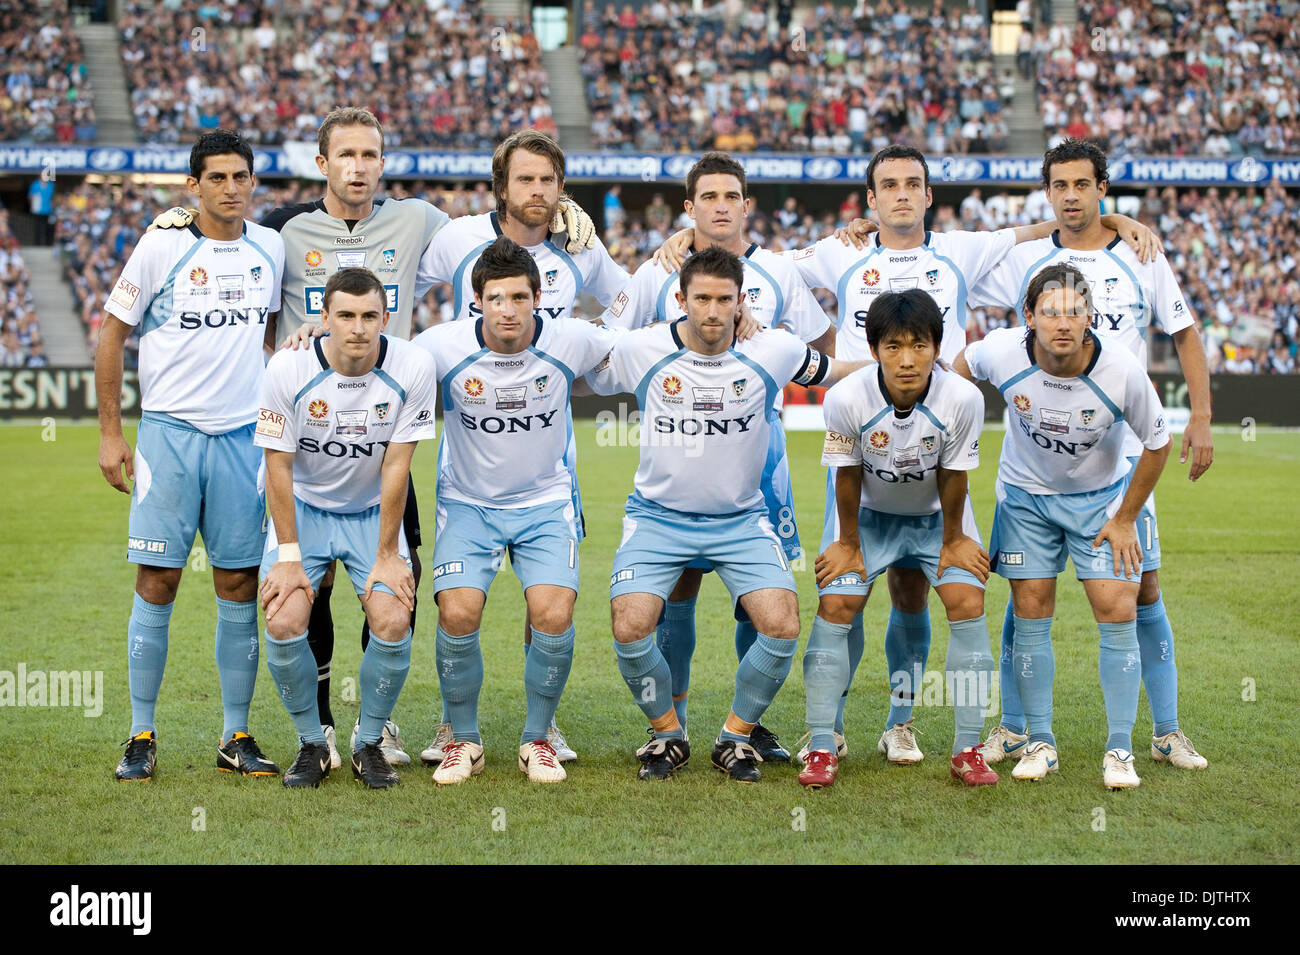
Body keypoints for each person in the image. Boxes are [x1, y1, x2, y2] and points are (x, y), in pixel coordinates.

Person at [788, 144, 1159, 766]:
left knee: (924, 597)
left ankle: (909, 727)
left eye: (914, 184)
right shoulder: (838, 253)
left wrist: (1112, 221)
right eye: (888, 186)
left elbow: (1046, 226)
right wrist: (742, 301)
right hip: (867, 470)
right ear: (870, 199)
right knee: (843, 600)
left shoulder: (962, 253)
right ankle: (827, 733)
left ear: (930, 195)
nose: (902, 194)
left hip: (935, 472)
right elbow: (767, 269)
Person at [968, 139, 1212, 771]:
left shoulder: (1140, 252)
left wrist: (1204, 417)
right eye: (1060, 186)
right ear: (1048, 192)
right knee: (1028, 595)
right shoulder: (1023, 257)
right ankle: (1018, 728)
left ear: (1102, 188)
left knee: (1142, 590)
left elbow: (1183, 331)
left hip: (1126, 461)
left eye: (1083, 184)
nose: (1071, 196)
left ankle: (1164, 731)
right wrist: (868, 232)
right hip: (1036, 462)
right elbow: (942, 267)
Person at [589, 247, 866, 782]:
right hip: (658, 518)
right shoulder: (642, 349)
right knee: (630, 626)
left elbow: (832, 372)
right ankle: (668, 734)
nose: (712, 311)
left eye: (724, 300)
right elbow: (580, 359)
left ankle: (734, 737)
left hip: (740, 521)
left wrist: (903, 361)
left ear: (741, 302)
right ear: (680, 300)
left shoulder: (773, 349)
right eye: (701, 299)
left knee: (782, 625)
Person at [606, 151, 835, 762]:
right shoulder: (656, 274)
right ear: (690, 207)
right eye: (708, 197)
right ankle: (670, 723)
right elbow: (599, 346)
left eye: (731, 196)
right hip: (672, 483)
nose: (721, 206)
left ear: (746, 203)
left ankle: (744, 729)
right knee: (670, 598)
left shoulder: (780, 275)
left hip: (759, 470)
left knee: (762, 609)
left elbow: (825, 358)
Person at [411, 129, 623, 766]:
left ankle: (542, 726)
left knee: (547, 606)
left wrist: (585, 362)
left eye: (549, 180)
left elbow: (631, 305)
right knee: (459, 608)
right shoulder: (455, 239)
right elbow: (393, 294)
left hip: (547, 462)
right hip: (470, 452)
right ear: (500, 186)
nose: (537, 192)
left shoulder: (579, 251)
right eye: (525, 179)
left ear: (563, 189)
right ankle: (458, 728)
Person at [96, 129, 286, 781]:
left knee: (236, 582)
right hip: (169, 439)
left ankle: (235, 732)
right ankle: (140, 732)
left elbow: (268, 332)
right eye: (218, 177)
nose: (231, 188)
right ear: (193, 185)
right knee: (158, 580)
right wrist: (111, 433)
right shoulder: (160, 246)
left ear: (253, 183)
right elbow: (112, 332)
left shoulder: (272, 247)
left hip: (242, 442)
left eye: (241, 177)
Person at [954, 263, 1172, 789]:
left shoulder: (1120, 369)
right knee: (1031, 609)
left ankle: (1121, 749)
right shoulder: (1003, 349)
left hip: (1101, 503)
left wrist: (1124, 518)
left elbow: (1158, 444)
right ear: (1029, 316)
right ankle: (1040, 742)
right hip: (1026, 498)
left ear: (1090, 316)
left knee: (1117, 607)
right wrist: (955, 417)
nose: (1063, 322)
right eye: (1051, 311)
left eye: (1075, 311)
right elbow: (961, 366)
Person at [255, 267, 436, 788]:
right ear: (324, 318)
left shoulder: (413, 366)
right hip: (305, 511)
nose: (358, 328)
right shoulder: (287, 368)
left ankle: (368, 743)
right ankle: (313, 743)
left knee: (393, 618)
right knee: (285, 620)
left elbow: (398, 465)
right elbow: (278, 466)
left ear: (385, 317)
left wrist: (386, 554)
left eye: (369, 316)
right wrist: (288, 556)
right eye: (346, 316)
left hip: (370, 512)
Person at [805, 289, 993, 789]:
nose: (906, 360)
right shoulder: (847, 398)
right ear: (874, 351)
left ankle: (961, 746)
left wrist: (954, 540)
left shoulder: (963, 398)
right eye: (893, 347)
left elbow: (955, 476)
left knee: (967, 601)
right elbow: (846, 474)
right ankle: (824, 742)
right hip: (866, 517)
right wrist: (847, 542)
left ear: (937, 347)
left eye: (918, 345)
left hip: (937, 519)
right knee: (839, 603)